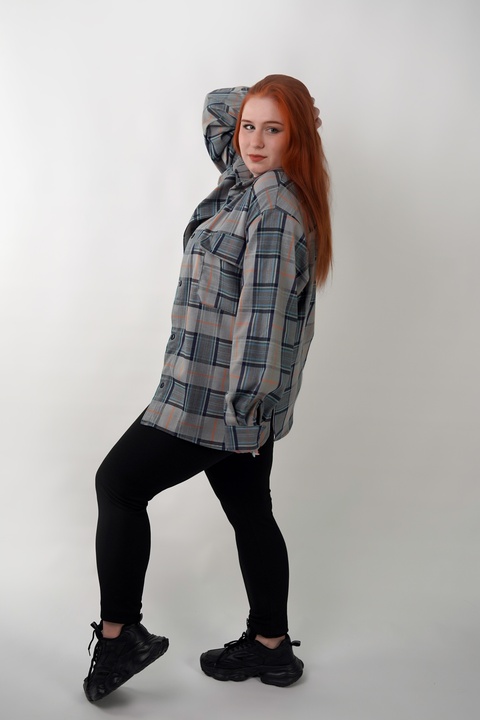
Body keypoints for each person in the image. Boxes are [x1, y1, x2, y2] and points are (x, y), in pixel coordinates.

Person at [83, 74, 332, 702]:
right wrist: (280, 102)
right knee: (251, 513)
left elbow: (263, 321)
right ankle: (271, 647)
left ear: (297, 140)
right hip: (220, 395)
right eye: (250, 126)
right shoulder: (245, 181)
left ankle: (119, 637)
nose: (252, 140)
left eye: (273, 129)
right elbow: (216, 110)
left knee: (118, 484)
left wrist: (248, 413)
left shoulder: (274, 210)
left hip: (215, 400)